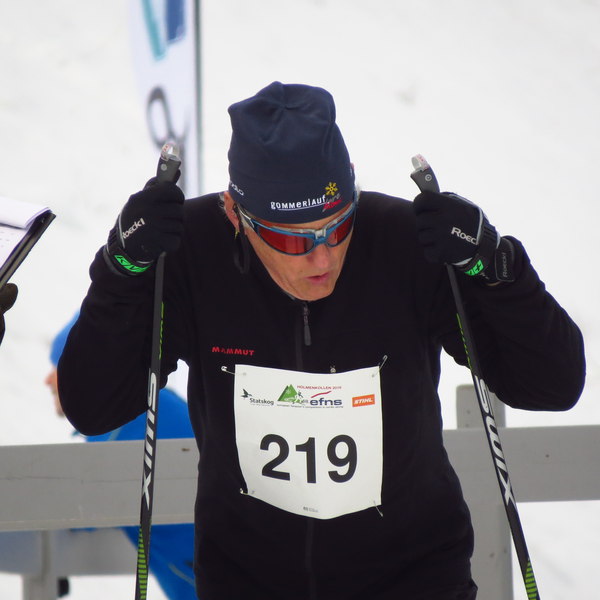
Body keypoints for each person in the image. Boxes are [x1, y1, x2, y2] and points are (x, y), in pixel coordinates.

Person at [57, 82, 586, 600]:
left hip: (415, 580)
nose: (323, 257)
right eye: (290, 239)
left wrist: (497, 268)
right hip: (248, 584)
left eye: (337, 226)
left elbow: (552, 384)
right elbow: (95, 407)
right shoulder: (192, 253)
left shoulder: (406, 243)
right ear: (235, 213)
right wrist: (119, 273)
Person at [47, 313, 196, 600]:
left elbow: (77, 502)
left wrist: (47, 557)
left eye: (58, 367)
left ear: (84, 372)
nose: (48, 380)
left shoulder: (126, 425)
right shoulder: (156, 405)